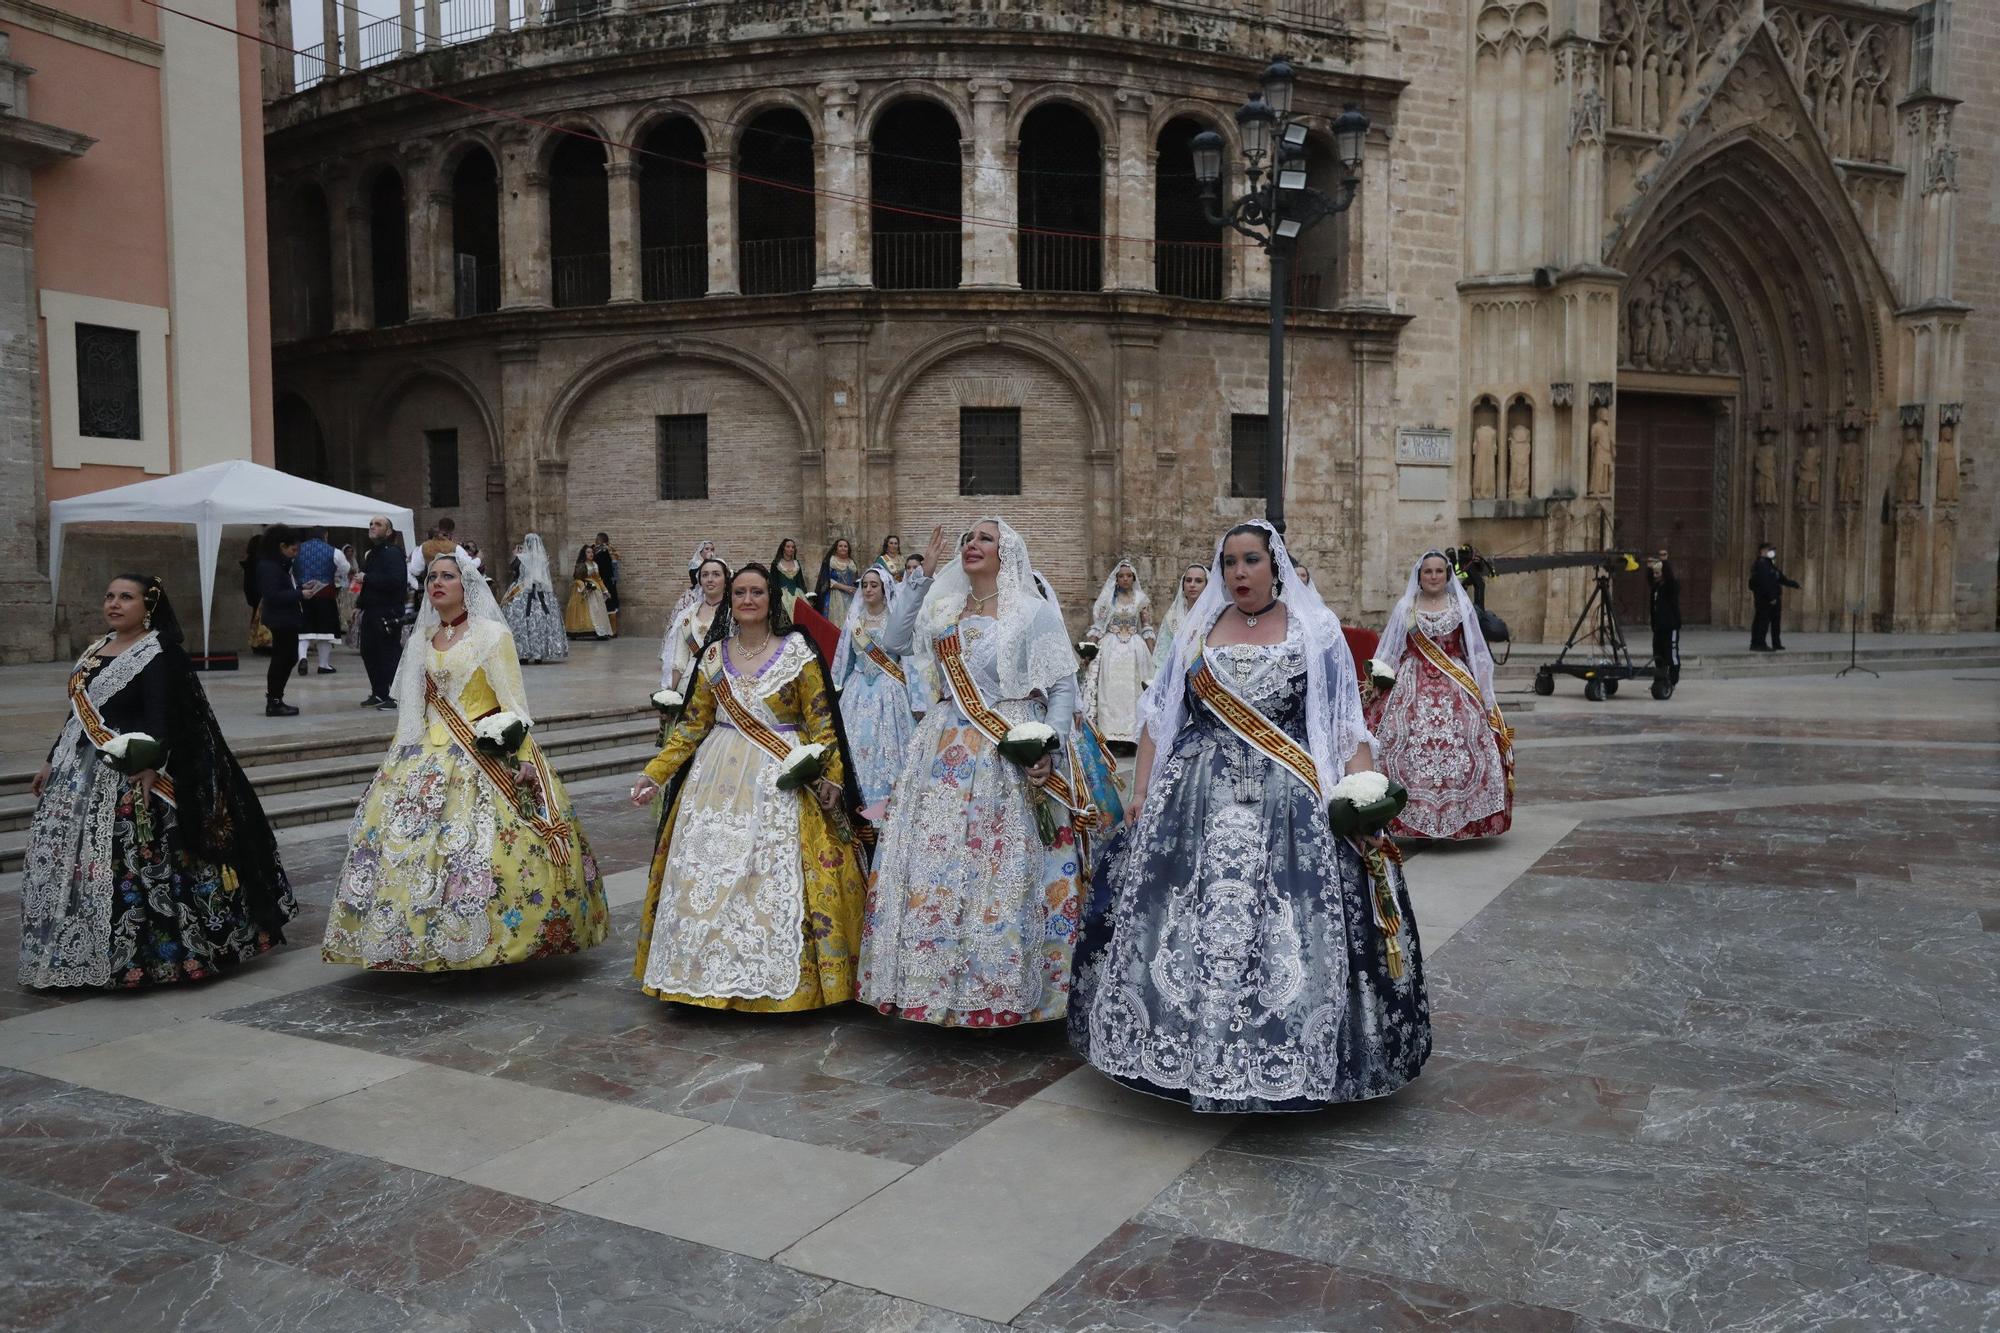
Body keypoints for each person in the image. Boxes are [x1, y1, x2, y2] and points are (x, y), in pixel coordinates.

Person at [1069, 521, 1430, 1112]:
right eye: (1230, 562)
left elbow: (1344, 724)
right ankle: (1180, 1054)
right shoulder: (1198, 630)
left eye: (1251, 560)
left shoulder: (1315, 630)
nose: (1239, 572)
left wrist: (1361, 795)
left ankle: (1297, 1055)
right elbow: (1161, 717)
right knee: (1184, 918)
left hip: (1291, 801)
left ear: (1275, 565)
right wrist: (1141, 790)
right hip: (1196, 796)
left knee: (1292, 920)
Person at [322, 552, 609, 970]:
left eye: (448, 576)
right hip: (424, 755)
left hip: (482, 751)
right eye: (433, 577)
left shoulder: (491, 635)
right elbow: (413, 709)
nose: (437, 583)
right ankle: (411, 939)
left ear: (466, 585)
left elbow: (513, 703)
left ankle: (486, 941)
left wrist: (517, 756)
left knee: (478, 849)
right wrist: (397, 760)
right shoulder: (420, 640)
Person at [861, 521, 1086, 1028]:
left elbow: (1062, 687)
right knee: (938, 866)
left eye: (984, 539)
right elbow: (894, 641)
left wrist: (1049, 744)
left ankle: (1001, 989)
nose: (973, 545)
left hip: (1007, 747)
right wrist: (919, 579)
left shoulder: (1032, 613)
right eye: (968, 539)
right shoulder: (944, 610)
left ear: (1006, 551)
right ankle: (930, 986)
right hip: (943, 752)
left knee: (1002, 866)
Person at [20, 575, 297, 988]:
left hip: (132, 772)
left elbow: (163, 712)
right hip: (80, 773)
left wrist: (151, 764)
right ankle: (77, 950)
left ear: (147, 606)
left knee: (137, 863)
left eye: (126, 598)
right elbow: (80, 713)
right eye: (109, 596)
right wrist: (49, 760)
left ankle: (153, 959)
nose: (114, 604)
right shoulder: (97, 649)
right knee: (82, 866)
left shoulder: (158, 650)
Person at [628, 564, 868, 1011]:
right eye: (740, 592)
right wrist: (655, 772)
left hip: (783, 779)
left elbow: (821, 722)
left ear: (771, 598)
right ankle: (702, 977)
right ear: (731, 601)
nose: (748, 599)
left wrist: (831, 776)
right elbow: (691, 727)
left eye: (757, 591)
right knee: (711, 870)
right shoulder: (714, 657)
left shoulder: (798, 652)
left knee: (768, 872)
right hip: (716, 778)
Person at [1366, 550, 1513, 841]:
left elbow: (1476, 651)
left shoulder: (1460, 607)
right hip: (1412, 681)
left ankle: (1461, 819)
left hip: (1455, 682)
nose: (1434, 576)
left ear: (1447, 576)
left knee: (1467, 736)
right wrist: (1378, 682)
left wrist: (1484, 694)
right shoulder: (1406, 607)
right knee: (1397, 736)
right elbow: (1391, 649)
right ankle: (1403, 816)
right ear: (1419, 577)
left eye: (1439, 571)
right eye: (1428, 572)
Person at [832, 566, 914, 817]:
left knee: (888, 749)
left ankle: (883, 810)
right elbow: (844, 658)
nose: (868, 589)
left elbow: (908, 661)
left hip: (889, 691)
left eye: (873, 585)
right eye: (864, 585)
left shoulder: (895, 619)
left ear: (884, 588)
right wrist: (836, 687)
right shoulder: (854, 620)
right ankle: (854, 807)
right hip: (856, 691)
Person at [1080, 559, 1154, 747]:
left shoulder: (1141, 599)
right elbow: (1098, 627)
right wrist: (1089, 648)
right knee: (1110, 691)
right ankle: (1110, 736)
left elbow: (1146, 627)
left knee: (1133, 691)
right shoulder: (1108, 600)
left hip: (1134, 650)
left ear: (1133, 578)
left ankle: (1132, 737)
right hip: (1111, 649)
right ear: (1116, 579)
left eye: (1128, 576)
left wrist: (1153, 654)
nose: (1125, 579)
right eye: (1121, 576)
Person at [355, 517, 407, 710]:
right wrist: (359, 605)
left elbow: (395, 580)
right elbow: (368, 586)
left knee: (389, 652)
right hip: (371, 610)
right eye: (370, 524)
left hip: (387, 610)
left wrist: (367, 578)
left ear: (388, 532)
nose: (372, 527)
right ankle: (379, 692)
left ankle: (397, 695)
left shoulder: (392, 553)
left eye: (378, 524)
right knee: (369, 651)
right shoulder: (372, 554)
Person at [256, 526, 306, 717]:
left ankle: (276, 698)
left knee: (288, 657)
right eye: (292, 550)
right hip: (280, 619)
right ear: (281, 546)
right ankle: (274, 700)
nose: (294, 554)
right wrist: (300, 594)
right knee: (282, 658)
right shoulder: (269, 566)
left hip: (287, 618)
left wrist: (300, 589)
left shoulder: (279, 565)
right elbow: (273, 595)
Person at [661, 556, 730, 693]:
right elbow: (679, 661)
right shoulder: (687, 616)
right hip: (688, 687)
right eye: (705, 575)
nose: (710, 579)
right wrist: (670, 694)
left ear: (726, 580)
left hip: (723, 687)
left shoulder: (733, 614)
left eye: (716, 574)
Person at [504, 533, 568, 665]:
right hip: (541, 594)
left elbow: (513, 569)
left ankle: (523, 654)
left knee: (521, 621)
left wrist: (515, 554)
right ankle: (539, 654)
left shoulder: (521, 558)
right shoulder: (543, 558)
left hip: (523, 593)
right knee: (541, 620)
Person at [294, 527, 345, 677]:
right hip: (325, 593)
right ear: (325, 535)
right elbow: (345, 568)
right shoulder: (334, 551)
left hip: (303, 593)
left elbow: (290, 569)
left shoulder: (297, 549)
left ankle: (302, 657)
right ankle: (323, 665)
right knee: (326, 631)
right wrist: (334, 574)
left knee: (304, 630)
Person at [1151, 563, 1209, 677]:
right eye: (1188, 580)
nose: (1192, 585)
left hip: (1205, 679)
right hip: (1176, 676)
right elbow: (1163, 653)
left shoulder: (1214, 615)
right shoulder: (1172, 616)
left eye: (1198, 581)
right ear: (1183, 585)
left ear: (1207, 585)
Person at [1749, 543, 1798, 651]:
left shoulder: (1770, 564)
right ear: (1762, 551)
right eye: (1769, 549)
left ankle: (1776, 643)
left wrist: (1794, 584)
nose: (1771, 552)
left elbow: (1780, 578)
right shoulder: (1760, 564)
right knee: (1762, 621)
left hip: (1773, 597)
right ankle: (1758, 644)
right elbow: (1764, 582)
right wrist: (1771, 597)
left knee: (1775, 621)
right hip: (1765, 598)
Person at [564, 544, 613, 640]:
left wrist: (605, 590)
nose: (591, 554)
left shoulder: (595, 565)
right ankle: (579, 632)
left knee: (597, 610)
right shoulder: (582, 565)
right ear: (584, 554)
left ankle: (600, 631)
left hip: (595, 590)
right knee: (586, 610)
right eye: (588, 552)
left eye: (592, 552)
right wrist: (583, 586)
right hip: (583, 590)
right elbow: (577, 578)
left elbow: (599, 579)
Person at [1647, 549, 1681, 686]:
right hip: (1659, 628)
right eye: (1654, 574)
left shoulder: (1671, 586)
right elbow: (1650, 579)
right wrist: (1650, 568)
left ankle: (1672, 680)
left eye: (1657, 573)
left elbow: (1670, 576)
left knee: (1671, 655)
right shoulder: (1656, 588)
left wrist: (1665, 561)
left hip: (1670, 626)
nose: (1655, 576)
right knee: (1658, 655)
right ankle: (1660, 679)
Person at [240, 534, 273, 654]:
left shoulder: (251, 560)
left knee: (256, 618)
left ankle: (256, 644)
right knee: (263, 620)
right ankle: (263, 644)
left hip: (253, 592)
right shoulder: (262, 561)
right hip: (261, 593)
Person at [815, 537, 860, 625]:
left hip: (851, 596)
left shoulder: (852, 562)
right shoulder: (830, 561)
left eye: (845, 546)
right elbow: (825, 580)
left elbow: (854, 579)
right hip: (835, 596)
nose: (843, 548)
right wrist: (844, 587)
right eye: (840, 546)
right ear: (836, 548)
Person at [771, 538, 809, 618]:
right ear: (783, 548)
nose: (790, 549)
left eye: (793, 547)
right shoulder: (776, 564)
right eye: (788, 547)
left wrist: (805, 595)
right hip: (781, 595)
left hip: (797, 594)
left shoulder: (797, 563)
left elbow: (800, 582)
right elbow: (773, 583)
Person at [594, 532, 623, 635]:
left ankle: (609, 631)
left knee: (607, 607)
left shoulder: (600, 553)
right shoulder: (610, 552)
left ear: (599, 540)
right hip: (611, 582)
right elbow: (615, 570)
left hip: (603, 583)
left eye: (596, 540)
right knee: (611, 606)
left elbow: (600, 570)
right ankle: (613, 631)